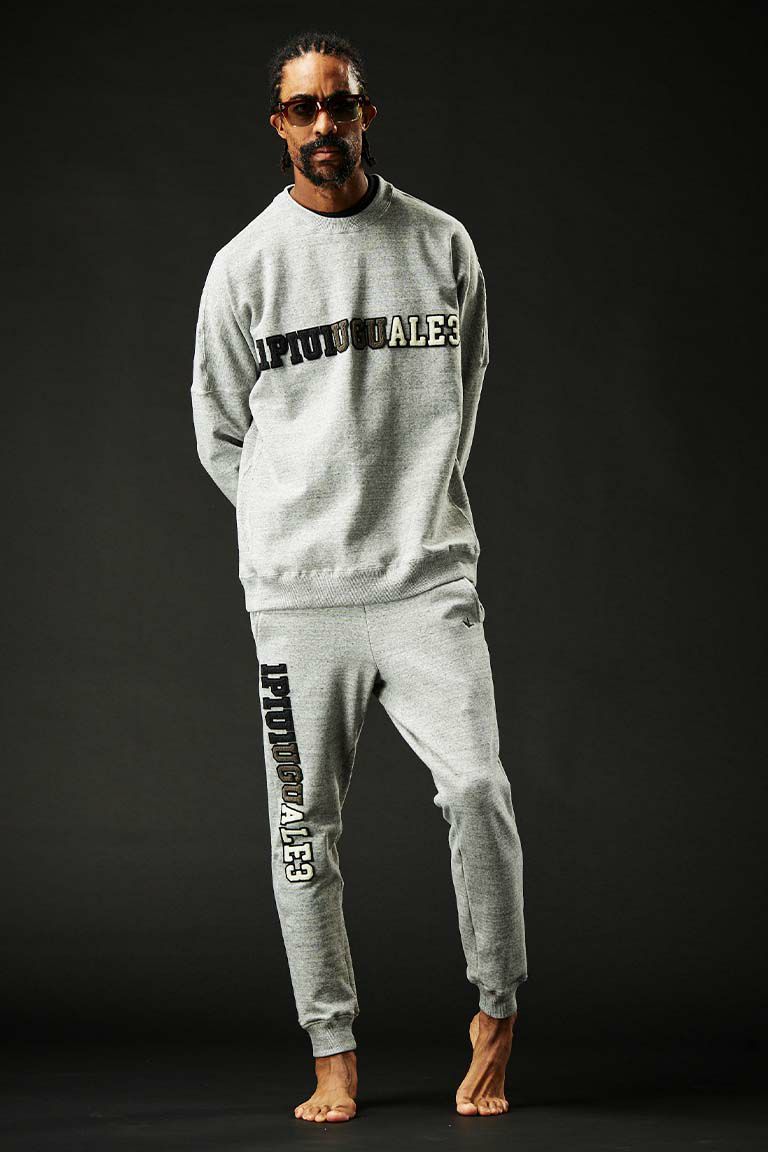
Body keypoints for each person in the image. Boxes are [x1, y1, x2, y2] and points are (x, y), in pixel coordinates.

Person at [190, 29, 528, 1123]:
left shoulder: (442, 245)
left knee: (477, 790)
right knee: (304, 831)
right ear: (279, 125)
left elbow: (463, 394)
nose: (324, 125)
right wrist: (290, 526)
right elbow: (218, 432)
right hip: (301, 603)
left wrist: (412, 509)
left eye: (340, 105)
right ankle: (331, 1050)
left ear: (366, 114)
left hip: (427, 584)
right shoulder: (245, 267)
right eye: (304, 109)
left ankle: (496, 1011)